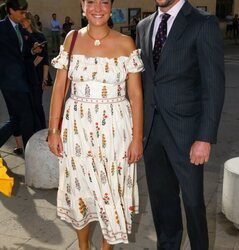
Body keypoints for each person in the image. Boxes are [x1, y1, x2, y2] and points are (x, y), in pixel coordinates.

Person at [48, 0, 143, 249]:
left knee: (111, 191)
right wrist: (54, 130)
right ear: (82, 4)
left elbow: (136, 95)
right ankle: (83, 246)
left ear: (111, 7)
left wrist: (136, 138)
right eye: (91, 1)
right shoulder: (72, 38)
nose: (97, 7)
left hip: (116, 130)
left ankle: (106, 247)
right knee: (79, 189)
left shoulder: (126, 43)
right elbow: (60, 87)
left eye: (104, 2)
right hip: (76, 129)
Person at [136, 0, 225, 249]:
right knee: (162, 201)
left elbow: (213, 86)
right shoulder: (143, 26)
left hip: (188, 134)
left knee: (193, 202)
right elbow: (143, 82)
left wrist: (205, 137)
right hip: (152, 132)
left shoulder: (202, 23)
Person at [0, 0, 42, 151]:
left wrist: (32, 51)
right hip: (9, 81)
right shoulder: (1, 27)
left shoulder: (20, 28)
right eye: (21, 12)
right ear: (10, 10)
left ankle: (29, 151)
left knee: (18, 117)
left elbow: (21, 53)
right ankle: (32, 153)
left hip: (22, 79)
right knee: (26, 117)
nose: (24, 15)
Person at [22, 11, 49, 129]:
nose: (22, 22)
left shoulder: (40, 36)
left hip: (37, 77)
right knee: (29, 105)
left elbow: (45, 60)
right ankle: (33, 129)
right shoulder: (21, 37)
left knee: (37, 104)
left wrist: (45, 79)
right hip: (24, 75)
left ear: (29, 21)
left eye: (24, 20)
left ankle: (42, 130)